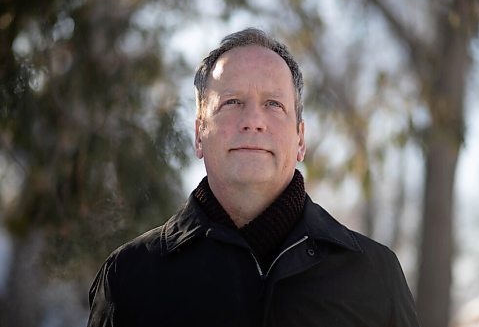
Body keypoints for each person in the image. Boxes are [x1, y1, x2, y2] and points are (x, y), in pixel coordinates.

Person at [87, 28, 420, 327]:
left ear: (300, 139)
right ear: (199, 135)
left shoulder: (375, 276)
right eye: (232, 102)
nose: (253, 121)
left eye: (273, 104)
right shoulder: (129, 278)